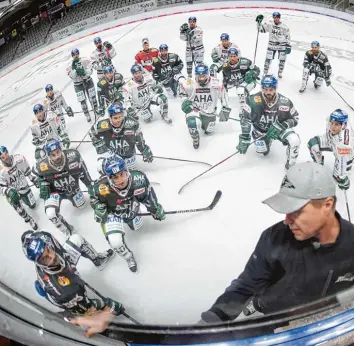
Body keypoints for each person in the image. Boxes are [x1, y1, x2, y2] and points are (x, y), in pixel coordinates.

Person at [200, 161, 354, 324]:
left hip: (333, 325)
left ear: (327, 205)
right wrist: (212, 320)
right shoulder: (273, 239)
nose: (287, 220)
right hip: (277, 324)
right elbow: (246, 286)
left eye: (296, 211)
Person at [21, 230, 123, 331]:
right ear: (39, 263)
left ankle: (98, 260)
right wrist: (109, 309)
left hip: (67, 264)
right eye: (44, 259)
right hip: (64, 291)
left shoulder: (44, 237)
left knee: (77, 239)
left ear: (46, 244)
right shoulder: (65, 291)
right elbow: (87, 307)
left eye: (47, 250)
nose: (52, 257)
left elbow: (27, 235)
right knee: (90, 308)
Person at [89, 154, 165, 273]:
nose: (120, 180)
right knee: (115, 241)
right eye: (115, 177)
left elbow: (148, 196)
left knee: (136, 227)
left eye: (122, 174)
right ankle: (129, 257)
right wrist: (98, 207)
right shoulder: (100, 186)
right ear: (109, 177)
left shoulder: (139, 179)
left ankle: (131, 220)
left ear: (127, 171)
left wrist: (155, 209)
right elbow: (93, 197)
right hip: (112, 214)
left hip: (131, 210)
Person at [237, 75, 300, 170]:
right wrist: (245, 137)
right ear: (262, 88)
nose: (268, 92)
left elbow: (296, 118)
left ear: (275, 88)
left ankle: (291, 166)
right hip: (260, 131)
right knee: (263, 152)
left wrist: (283, 125)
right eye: (265, 89)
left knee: (295, 140)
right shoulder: (252, 100)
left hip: (279, 129)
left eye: (271, 89)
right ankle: (267, 141)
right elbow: (245, 118)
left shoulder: (285, 102)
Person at [35, 138, 92, 237]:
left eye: (58, 152)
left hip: (73, 189)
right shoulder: (42, 165)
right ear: (48, 155)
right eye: (53, 154)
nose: (57, 156)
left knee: (81, 205)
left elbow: (84, 172)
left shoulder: (74, 156)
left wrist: (90, 185)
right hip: (55, 191)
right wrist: (42, 184)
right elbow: (36, 176)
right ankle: (68, 231)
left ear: (61, 149)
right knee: (50, 213)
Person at [180, 63, 230, 149]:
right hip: (194, 110)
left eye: (203, 76)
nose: (201, 78)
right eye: (199, 76)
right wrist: (184, 101)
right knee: (192, 123)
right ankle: (195, 138)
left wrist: (225, 108)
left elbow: (224, 96)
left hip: (210, 112)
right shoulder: (188, 83)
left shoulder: (216, 83)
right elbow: (182, 94)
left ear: (207, 75)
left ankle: (205, 125)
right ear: (195, 75)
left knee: (208, 131)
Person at [89, 103, 153, 170]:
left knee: (128, 175)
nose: (118, 120)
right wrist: (99, 145)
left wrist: (144, 149)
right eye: (115, 118)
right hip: (111, 157)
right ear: (110, 117)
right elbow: (92, 132)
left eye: (120, 117)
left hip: (129, 157)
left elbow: (139, 139)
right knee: (105, 171)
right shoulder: (103, 125)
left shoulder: (132, 124)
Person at [308, 109, 353, 191]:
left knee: (338, 177)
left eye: (336, 124)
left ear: (343, 125)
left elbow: (343, 159)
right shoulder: (330, 119)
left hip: (346, 154)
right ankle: (319, 168)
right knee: (313, 144)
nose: (332, 126)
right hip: (331, 141)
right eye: (332, 123)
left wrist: (342, 177)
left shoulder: (344, 141)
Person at [0, 146, 38, 230]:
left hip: (24, 188)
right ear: (0, 159)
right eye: (2, 157)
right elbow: (1, 186)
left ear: (8, 152)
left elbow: (27, 171)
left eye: (5, 154)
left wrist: (33, 180)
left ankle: (27, 201)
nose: (5, 157)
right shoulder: (1, 171)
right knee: (19, 208)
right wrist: (8, 191)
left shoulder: (19, 158)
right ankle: (28, 219)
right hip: (12, 193)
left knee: (33, 205)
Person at [222, 48, 260, 116]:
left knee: (241, 91)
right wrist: (225, 85)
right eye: (231, 56)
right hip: (236, 83)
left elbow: (257, 70)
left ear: (237, 56)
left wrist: (251, 73)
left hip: (248, 81)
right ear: (228, 57)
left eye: (234, 56)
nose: (233, 58)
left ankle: (244, 109)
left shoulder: (246, 62)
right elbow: (225, 77)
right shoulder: (225, 66)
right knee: (229, 95)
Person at [66, 48, 99, 122]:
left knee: (93, 97)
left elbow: (90, 71)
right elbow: (72, 76)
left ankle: (96, 110)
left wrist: (84, 71)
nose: (76, 56)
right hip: (78, 84)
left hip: (87, 81)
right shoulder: (69, 65)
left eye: (77, 54)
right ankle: (87, 114)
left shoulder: (85, 60)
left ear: (79, 53)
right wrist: (75, 69)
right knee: (82, 101)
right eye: (74, 55)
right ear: (72, 56)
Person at [256, 12, 291, 78]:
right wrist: (259, 23)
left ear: (279, 18)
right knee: (268, 60)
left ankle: (280, 72)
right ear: (273, 18)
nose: (276, 19)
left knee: (282, 60)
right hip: (272, 44)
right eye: (275, 17)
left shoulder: (284, 27)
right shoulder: (269, 24)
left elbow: (288, 36)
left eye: (277, 17)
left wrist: (288, 45)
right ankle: (265, 72)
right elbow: (261, 30)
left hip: (282, 45)